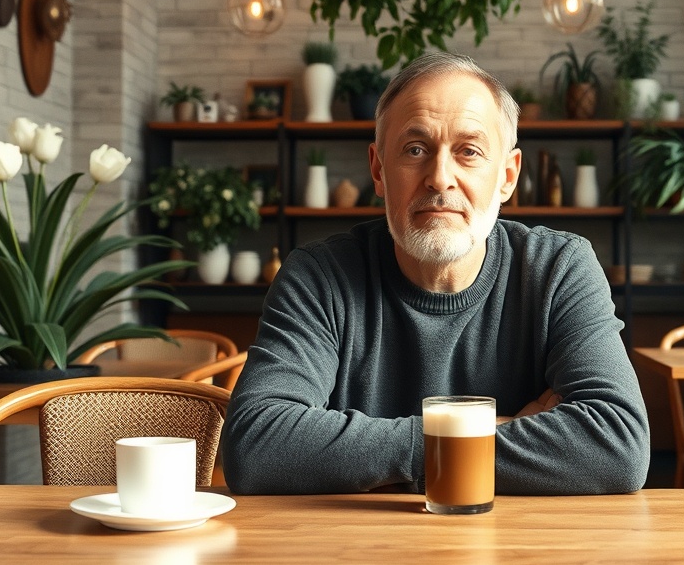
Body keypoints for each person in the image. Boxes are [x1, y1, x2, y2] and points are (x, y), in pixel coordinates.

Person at [223, 52, 650, 495]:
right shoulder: (317, 276)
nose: (440, 177)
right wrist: (473, 433)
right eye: (415, 149)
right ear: (378, 169)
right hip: (355, 550)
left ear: (507, 176)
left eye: (469, 152)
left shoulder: (560, 268)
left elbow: (617, 446)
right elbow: (256, 445)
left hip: (521, 552)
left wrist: (380, 451)